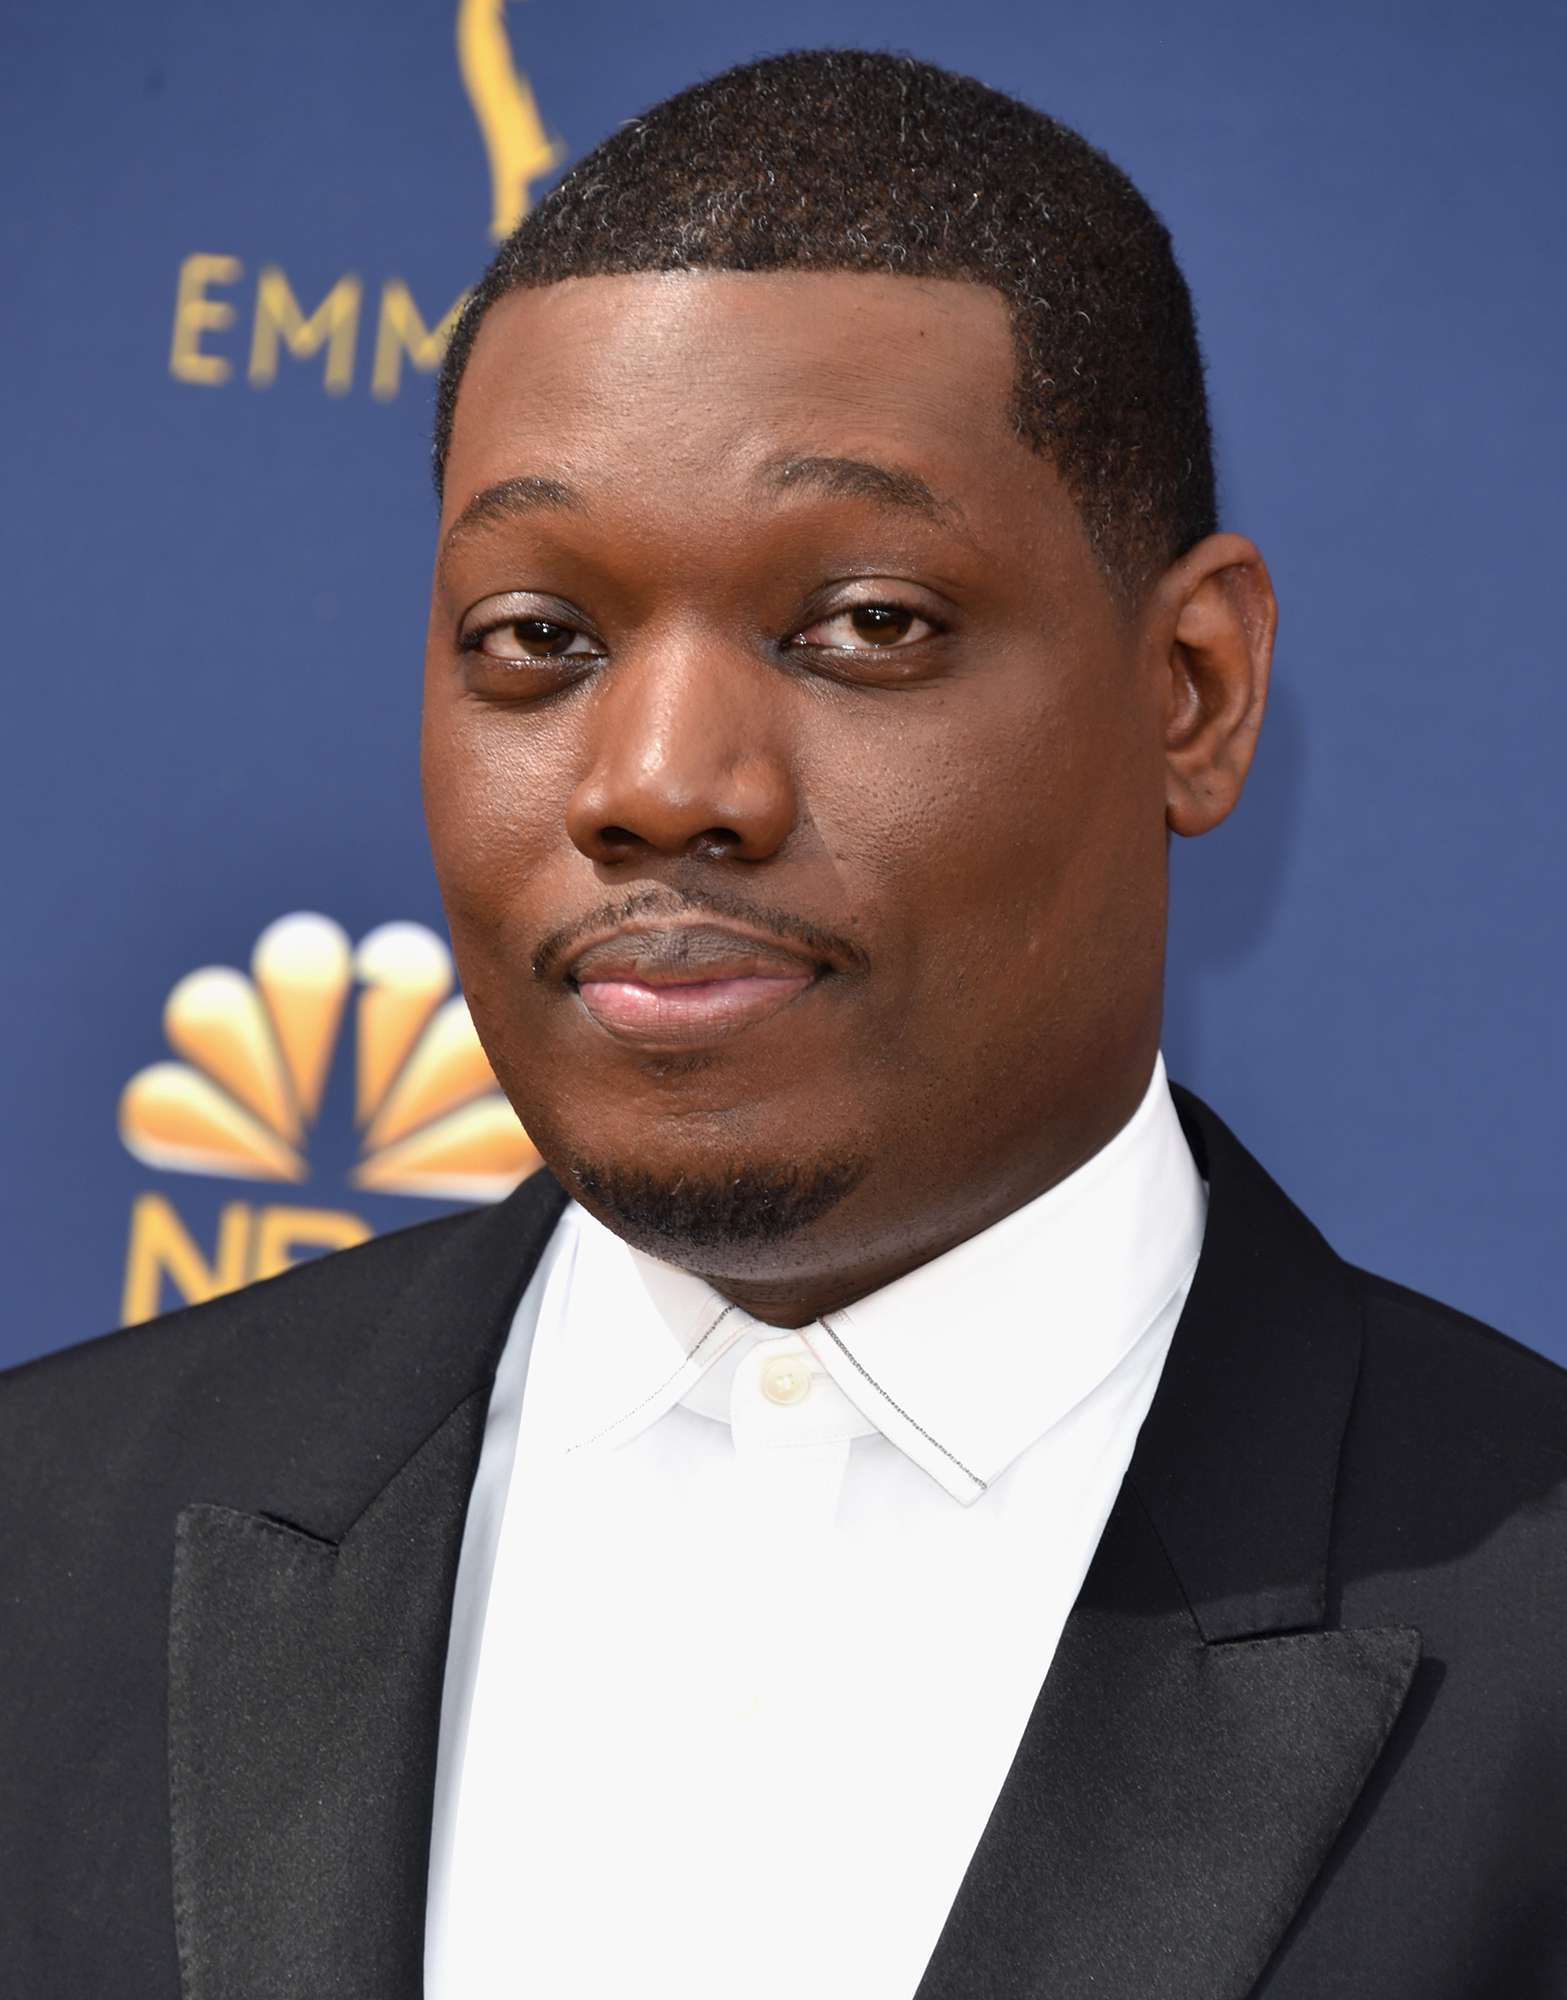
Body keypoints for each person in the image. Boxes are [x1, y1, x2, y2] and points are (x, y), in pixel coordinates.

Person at [3, 47, 1563, 2000]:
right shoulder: (44, 1551)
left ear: (1190, 688)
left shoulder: (1527, 1643)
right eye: (536, 640)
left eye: (865, 622)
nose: (658, 780)